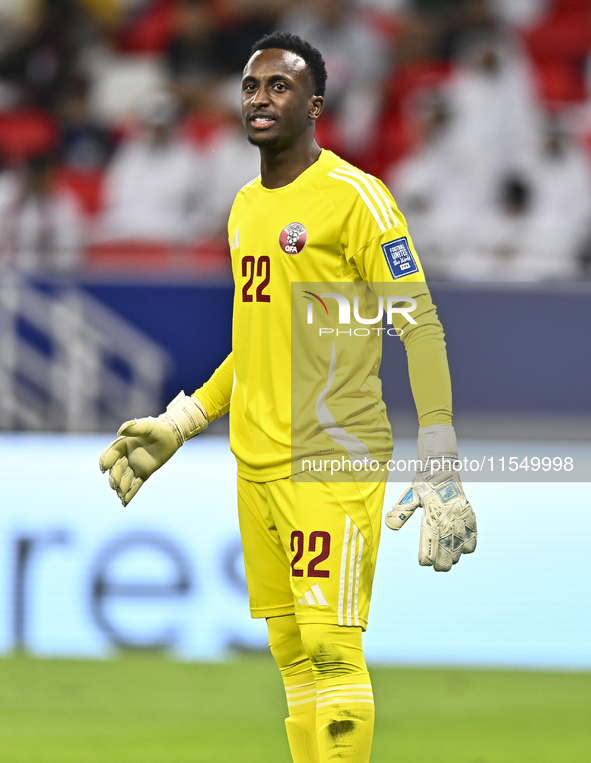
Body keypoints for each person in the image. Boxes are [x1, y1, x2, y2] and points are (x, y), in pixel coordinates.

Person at [99, 32, 477, 763]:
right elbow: (258, 338)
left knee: (332, 648)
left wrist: (439, 449)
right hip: (258, 461)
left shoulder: (355, 199)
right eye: (250, 86)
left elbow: (417, 322)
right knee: (293, 655)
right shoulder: (243, 208)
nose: (260, 98)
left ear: (315, 106)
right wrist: (183, 420)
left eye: (279, 86)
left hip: (333, 457)